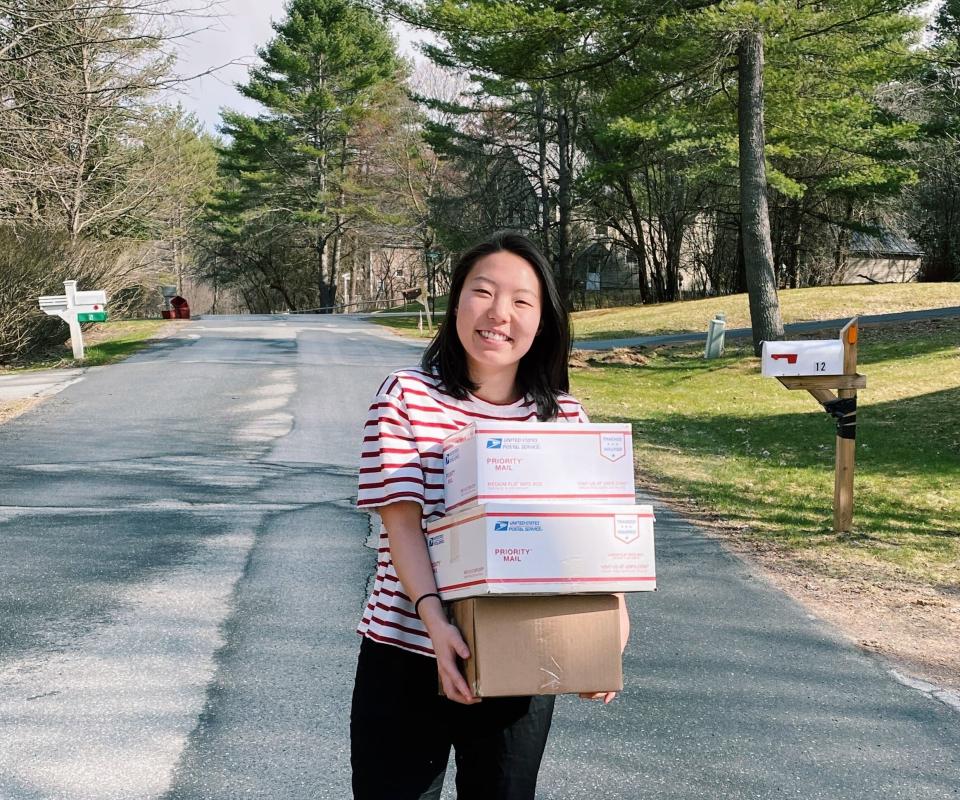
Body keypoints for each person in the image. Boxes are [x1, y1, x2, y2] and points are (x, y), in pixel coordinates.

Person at [350, 231, 630, 800]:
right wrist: (437, 626)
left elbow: (591, 537)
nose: (499, 313)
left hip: (518, 649)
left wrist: (610, 620)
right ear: (456, 302)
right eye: (482, 292)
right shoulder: (405, 396)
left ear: (544, 321)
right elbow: (402, 527)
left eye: (522, 301)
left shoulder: (565, 417)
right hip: (407, 651)